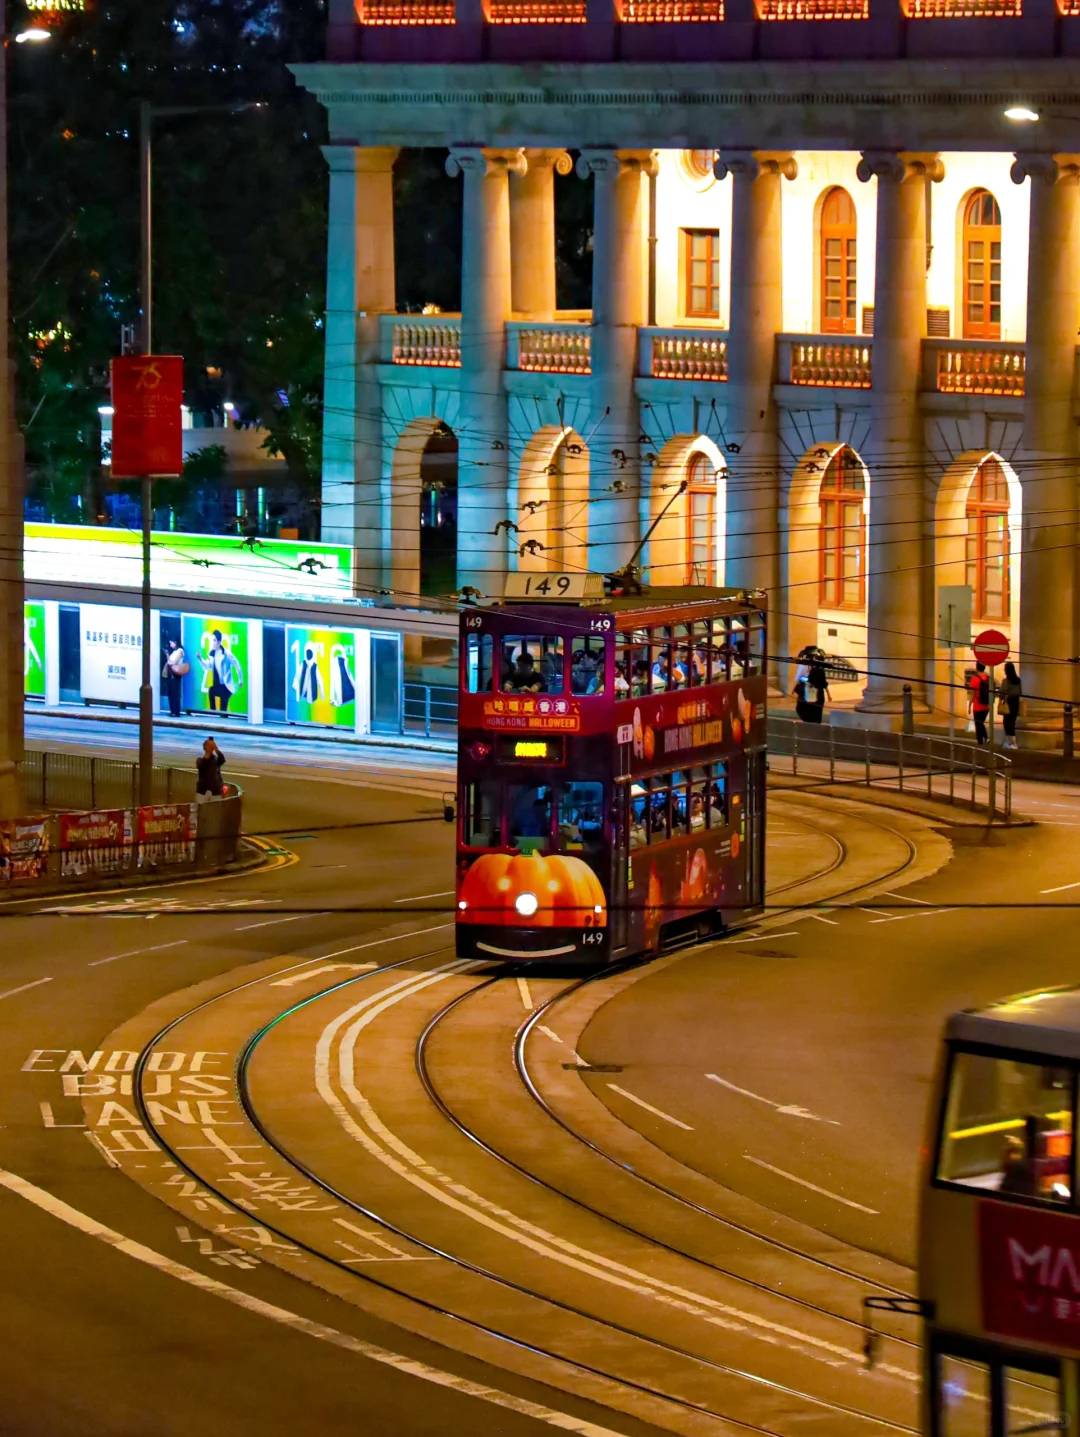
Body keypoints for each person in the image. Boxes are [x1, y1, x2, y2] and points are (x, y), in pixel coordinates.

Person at [998, 661, 1022, 750]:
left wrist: (1000, 699)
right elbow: (1020, 692)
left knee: (1007, 723)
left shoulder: (1006, 681)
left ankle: (1010, 743)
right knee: (1012, 722)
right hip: (1016, 703)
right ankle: (1013, 743)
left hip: (1008, 703)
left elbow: (1002, 692)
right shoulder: (1018, 680)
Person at [196, 737, 226, 801]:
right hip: (202, 791)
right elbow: (203, 764)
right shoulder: (200, 760)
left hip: (216, 791)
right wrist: (208, 751)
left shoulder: (216, 760)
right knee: (201, 809)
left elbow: (222, 759)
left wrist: (216, 748)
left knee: (215, 809)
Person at [162, 637, 185, 718]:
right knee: (170, 692)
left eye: (171, 643)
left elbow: (173, 662)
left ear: (176, 642)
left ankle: (176, 711)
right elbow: (169, 662)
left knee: (175, 693)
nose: (170, 645)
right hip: (170, 673)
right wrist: (167, 654)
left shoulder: (180, 651)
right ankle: (172, 711)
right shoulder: (174, 652)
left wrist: (170, 661)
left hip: (175, 673)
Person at [969, 661, 991, 746]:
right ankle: (985, 739)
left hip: (978, 707)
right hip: (986, 706)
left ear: (977, 667)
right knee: (980, 723)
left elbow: (972, 694)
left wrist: (969, 706)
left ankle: (981, 742)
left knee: (978, 725)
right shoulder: (989, 678)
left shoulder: (975, 679)